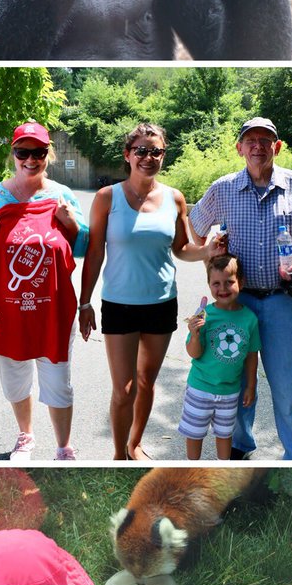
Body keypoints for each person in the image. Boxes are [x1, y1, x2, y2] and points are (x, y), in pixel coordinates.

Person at [189, 117, 292, 460]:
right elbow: (196, 229)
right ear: (239, 148)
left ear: (277, 147)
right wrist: (212, 250)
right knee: (233, 383)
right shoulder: (223, 189)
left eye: (265, 140)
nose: (257, 146)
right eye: (250, 140)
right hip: (237, 306)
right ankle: (239, 446)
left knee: (289, 389)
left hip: (283, 302)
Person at [79, 123, 223, 460]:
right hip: (119, 304)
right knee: (123, 390)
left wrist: (207, 251)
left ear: (163, 155)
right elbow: (95, 253)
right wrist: (84, 302)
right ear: (128, 155)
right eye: (141, 150)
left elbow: (182, 248)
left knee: (146, 382)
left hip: (160, 304)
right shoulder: (106, 198)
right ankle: (118, 455)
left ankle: (135, 444)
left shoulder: (174, 198)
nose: (148, 157)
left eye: (155, 151)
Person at [0, 122, 89, 462]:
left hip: (52, 309)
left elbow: (82, 246)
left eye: (38, 152)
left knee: (58, 379)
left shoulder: (61, 195)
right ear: (13, 154)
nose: (31, 159)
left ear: (48, 154)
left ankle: (63, 446)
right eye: (23, 152)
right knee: (14, 377)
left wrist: (71, 224)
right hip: (2, 309)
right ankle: (26, 436)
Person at [179, 254, 260, 460]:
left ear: (240, 282)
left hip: (230, 391)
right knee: (195, 434)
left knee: (225, 435)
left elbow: (252, 355)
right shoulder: (205, 315)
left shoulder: (249, 318)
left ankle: (224, 467)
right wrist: (195, 334)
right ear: (209, 285)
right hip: (200, 388)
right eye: (216, 283)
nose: (222, 289)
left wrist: (250, 386)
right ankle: (192, 467)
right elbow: (194, 353)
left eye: (229, 282)